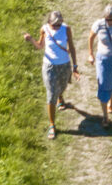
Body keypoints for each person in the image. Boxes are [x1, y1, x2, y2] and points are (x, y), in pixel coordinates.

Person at [23, 10, 79, 139]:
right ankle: (52, 125)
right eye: (54, 24)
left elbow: (72, 47)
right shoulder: (44, 29)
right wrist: (31, 39)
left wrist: (75, 66)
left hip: (64, 65)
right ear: (49, 22)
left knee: (63, 86)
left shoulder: (66, 29)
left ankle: (61, 99)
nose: (57, 27)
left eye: (59, 24)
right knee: (51, 94)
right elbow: (40, 46)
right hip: (49, 66)